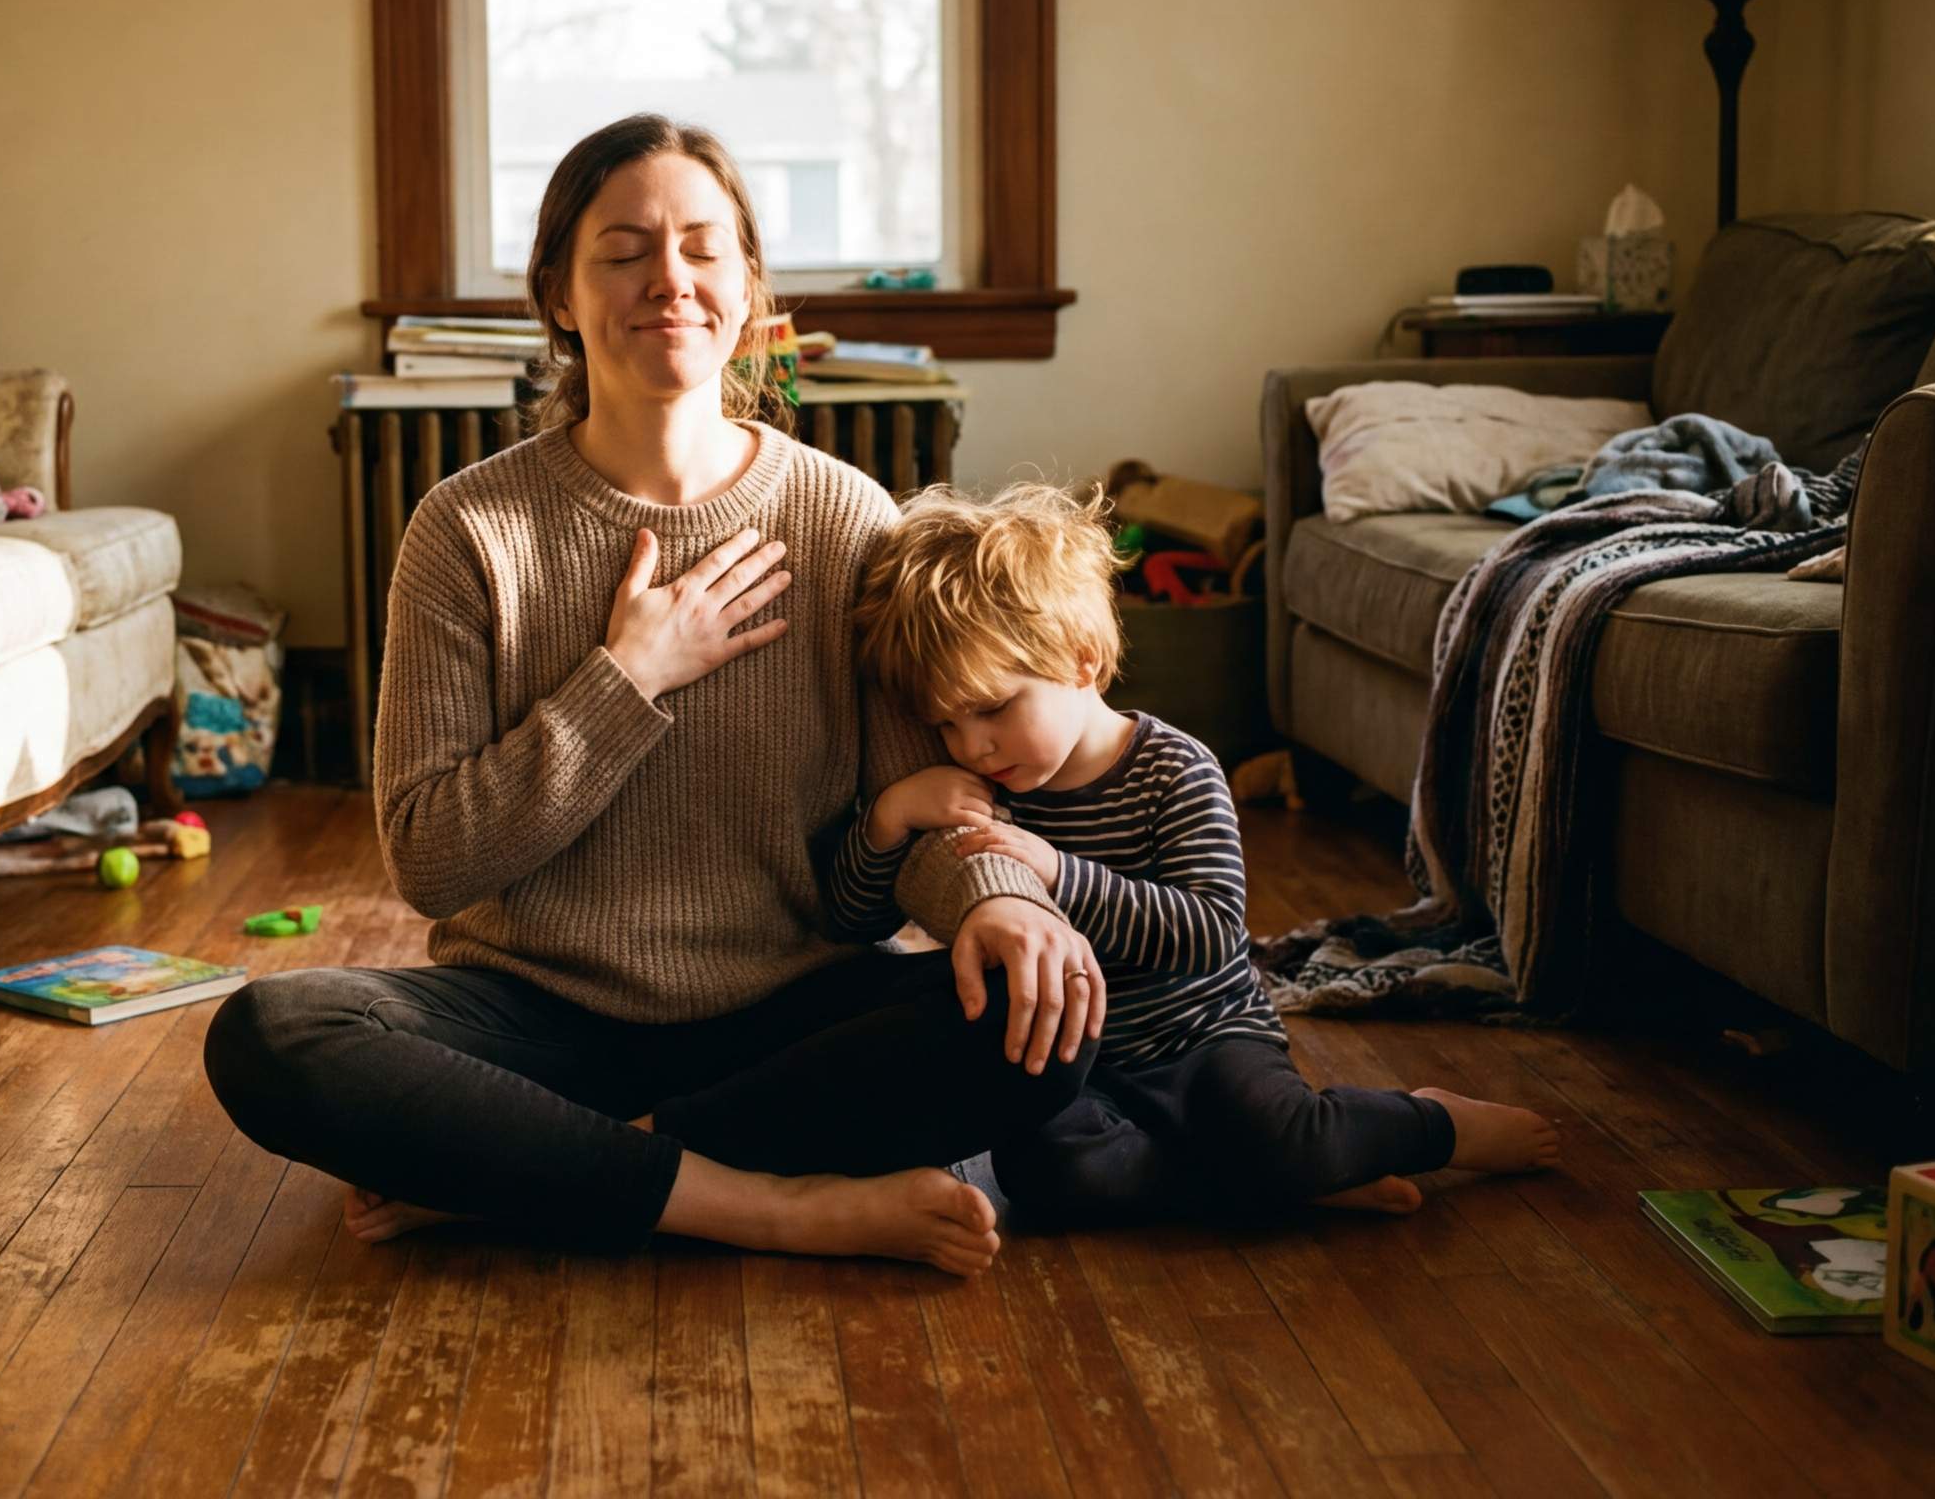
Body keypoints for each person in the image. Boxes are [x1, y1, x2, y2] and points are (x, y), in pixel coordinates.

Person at [201, 114, 1102, 1276]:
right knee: (272, 1034)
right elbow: (429, 858)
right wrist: (627, 678)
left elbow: (916, 806)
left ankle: (547, 1175)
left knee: (1046, 1013)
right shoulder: (468, 530)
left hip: (783, 1014)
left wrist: (993, 899)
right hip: (537, 1019)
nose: (666, 280)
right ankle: (771, 1206)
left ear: (746, 288)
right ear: (560, 298)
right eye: (622, 251)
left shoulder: (844, 521)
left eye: (700, 247)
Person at [843, 481, 1562, 1224]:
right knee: (1048, 1174)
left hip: (1204, 1035)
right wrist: (887, 821)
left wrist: (1057, 871)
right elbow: (852, 917)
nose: (973, 745)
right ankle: (1278, 1182)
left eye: (993, 708)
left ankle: (1432, 1125)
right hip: (1076, 1065)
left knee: (1287, 1134)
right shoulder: (975, 786)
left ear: (1083, 660)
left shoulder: (1174, 769)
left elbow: (1210, 932)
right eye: (946, 724)